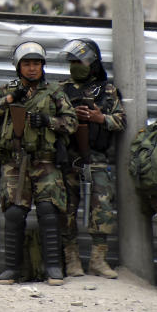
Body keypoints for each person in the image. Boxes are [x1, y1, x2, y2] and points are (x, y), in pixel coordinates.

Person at [0, 42, 77, 286]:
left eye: (36, 64)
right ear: (18, 67)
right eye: (27, 64)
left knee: (48, 211)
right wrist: (12, 99)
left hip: (45, 162)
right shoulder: (7, 90)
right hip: (15, 162)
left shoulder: (54, 91)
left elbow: (71, 123)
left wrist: (48, 121)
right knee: (14, 213)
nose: (32, 69)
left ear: (42, 66)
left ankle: (53, 268)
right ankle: (11, 269)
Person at [56, 39, 124, 279]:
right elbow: (49, 120)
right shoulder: (61, 89)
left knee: (102, 208)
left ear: (93, 63)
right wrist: (70, 117)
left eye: (81, 61)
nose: (76, 66)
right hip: (69, 159)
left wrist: (99, 118)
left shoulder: (107, 90)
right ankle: (71, 258)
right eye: (73, 62)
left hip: (97, 158)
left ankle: (98, 259)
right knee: (66, 209)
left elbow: (120, 120)